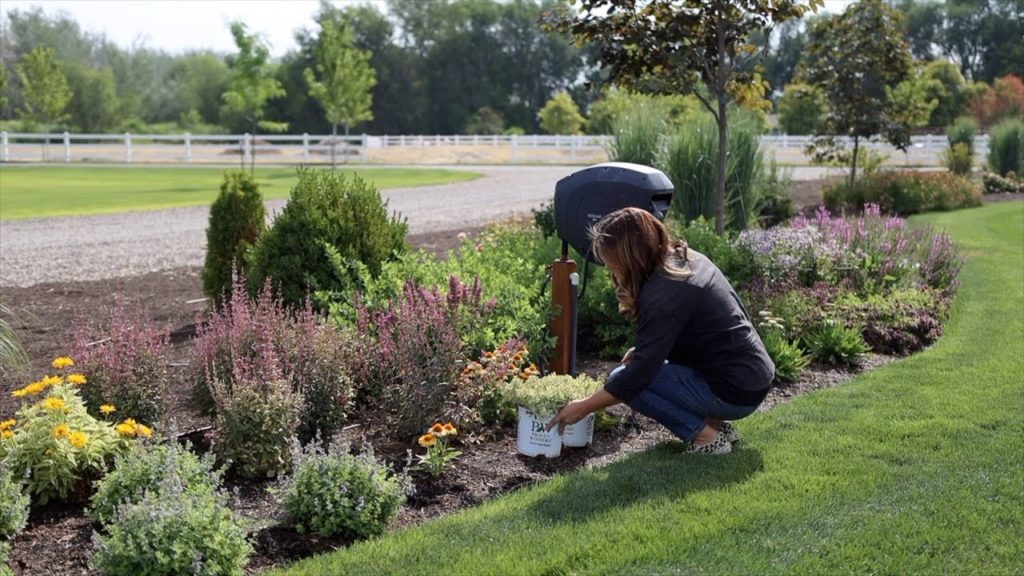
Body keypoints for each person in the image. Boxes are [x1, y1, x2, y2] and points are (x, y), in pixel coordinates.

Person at [546, 207, 774, 454]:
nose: (609, 269)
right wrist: (645, 350)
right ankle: (715, 424)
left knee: (623, 380)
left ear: (629, 256)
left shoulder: (663, 294)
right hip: (753, 376)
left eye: (611, 262)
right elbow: (703, 331)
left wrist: (584, 406)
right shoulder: (685, 259)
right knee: (635, 367)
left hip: (735, 391)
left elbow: (637, 377)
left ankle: (707, 438)